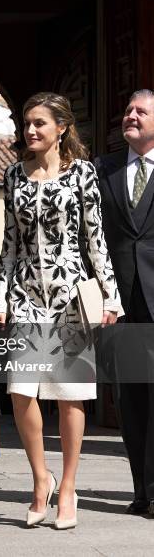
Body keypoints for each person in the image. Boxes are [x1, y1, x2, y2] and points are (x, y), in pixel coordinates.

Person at [0, 92, 122, 529]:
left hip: (70, 297)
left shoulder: (82, 173)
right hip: (27, 296)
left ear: (61, 128)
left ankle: (68, 488)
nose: (30, 130)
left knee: (70, 395)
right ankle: (39, 479)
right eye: (27, 123)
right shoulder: (13, 175)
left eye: (39, 123)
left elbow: (95, 239)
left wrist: (111, 296)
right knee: (21, 389)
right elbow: (9, 243)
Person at [95, 89, 154, 517]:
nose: (130, 116)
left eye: (141, 111)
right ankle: (141, 492)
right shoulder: (103, 169)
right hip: (123, 302)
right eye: (128, 109)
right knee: (132, 400)